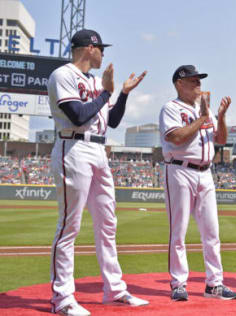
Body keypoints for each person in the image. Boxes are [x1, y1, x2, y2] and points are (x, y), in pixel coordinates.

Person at [48, 29, 148, 315]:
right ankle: (62, 298)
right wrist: (106, 92)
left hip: (99, 151)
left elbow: (112, 121)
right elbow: (77, 116)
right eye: (100, 47)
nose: (103, 52)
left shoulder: (94, 80)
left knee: (108, 223)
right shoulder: (63, 75)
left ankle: (114, 290)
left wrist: (123, 94)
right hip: (73, 147)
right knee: (69, 226)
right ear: (88, 48)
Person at [159, 65, 236, 301]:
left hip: (205, 173)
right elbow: (175, 137)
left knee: (212, 232)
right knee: (179, 232)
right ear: (179, 84)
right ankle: (178, 284)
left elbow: (221, 139)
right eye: (192, 81)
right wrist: (203, 117)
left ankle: (214, 284)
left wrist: (220, 117)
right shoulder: (170, 108)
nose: (198, 85)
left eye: (199, 81)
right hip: (180, 170)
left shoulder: (206, 111)